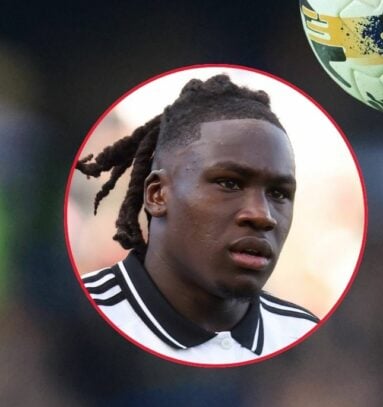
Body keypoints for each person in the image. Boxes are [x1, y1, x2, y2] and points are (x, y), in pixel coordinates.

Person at [74, 74, 319, 366]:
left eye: (279, 193)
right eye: (229, 184)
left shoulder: (302, 334)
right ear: (157, 195)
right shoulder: (79, 322)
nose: (262, 215)